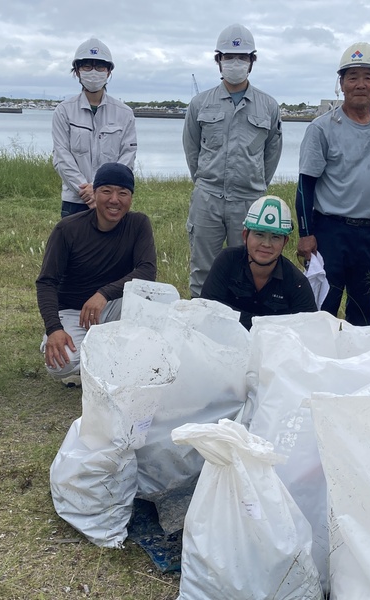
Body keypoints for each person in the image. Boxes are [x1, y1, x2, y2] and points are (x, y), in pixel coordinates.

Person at [295, 42, 370, 326]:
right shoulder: (322, 128)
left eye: (368, 77)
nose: (360, 84)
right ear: (341, 83)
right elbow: (305, 185)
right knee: (321, 310)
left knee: (363, 310)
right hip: (329, 233)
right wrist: (306, 232)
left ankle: (358, 365)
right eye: (352, 77)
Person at [182, 23, 282, 298]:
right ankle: (199, 329)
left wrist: (253, 183)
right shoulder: (200, 104)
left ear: (252, 62)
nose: (235, 63)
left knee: (247, 269)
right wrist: (205, 180)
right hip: (208, 199)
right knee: (203, 271)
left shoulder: (269, 106)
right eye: (228, 57)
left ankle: (241, 327)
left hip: (248, 201)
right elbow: (192, 149)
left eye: (242, 57)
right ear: (218, 61)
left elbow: (271, 154)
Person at [36, 162, 156, 386]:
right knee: (60, 365)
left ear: (130, 197)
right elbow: (46, 282)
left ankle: (108, 363)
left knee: (155, 300)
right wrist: (54, 328)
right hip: (74, 311)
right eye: (106, 191)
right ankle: (102, 361)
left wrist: (104, 293)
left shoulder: (139, 224)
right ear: (94, 193)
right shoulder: (68, 229)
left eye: (123, 193)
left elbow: (147, 270)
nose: (114, 200)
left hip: (116, 304)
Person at [201, 195, 316, 329]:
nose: (266, 244)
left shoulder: (297, 283)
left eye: (275, 237)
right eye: (259, 234)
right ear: (245, 236)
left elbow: (310, 330)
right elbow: (206, 309)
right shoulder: (227, 261)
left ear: (285, 242)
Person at [52, 38, 138, 219]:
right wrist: (87, 191)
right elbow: (62, 157)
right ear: (76, 71)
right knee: (73, 246)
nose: (93, 72)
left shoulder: (125, 113)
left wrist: (101, 189)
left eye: (100, 67)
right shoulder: (64, 111)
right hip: (75, 200)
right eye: (86, 67)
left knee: (113, 247)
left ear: (108, 72)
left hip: (112, 201)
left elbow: (127, 157)